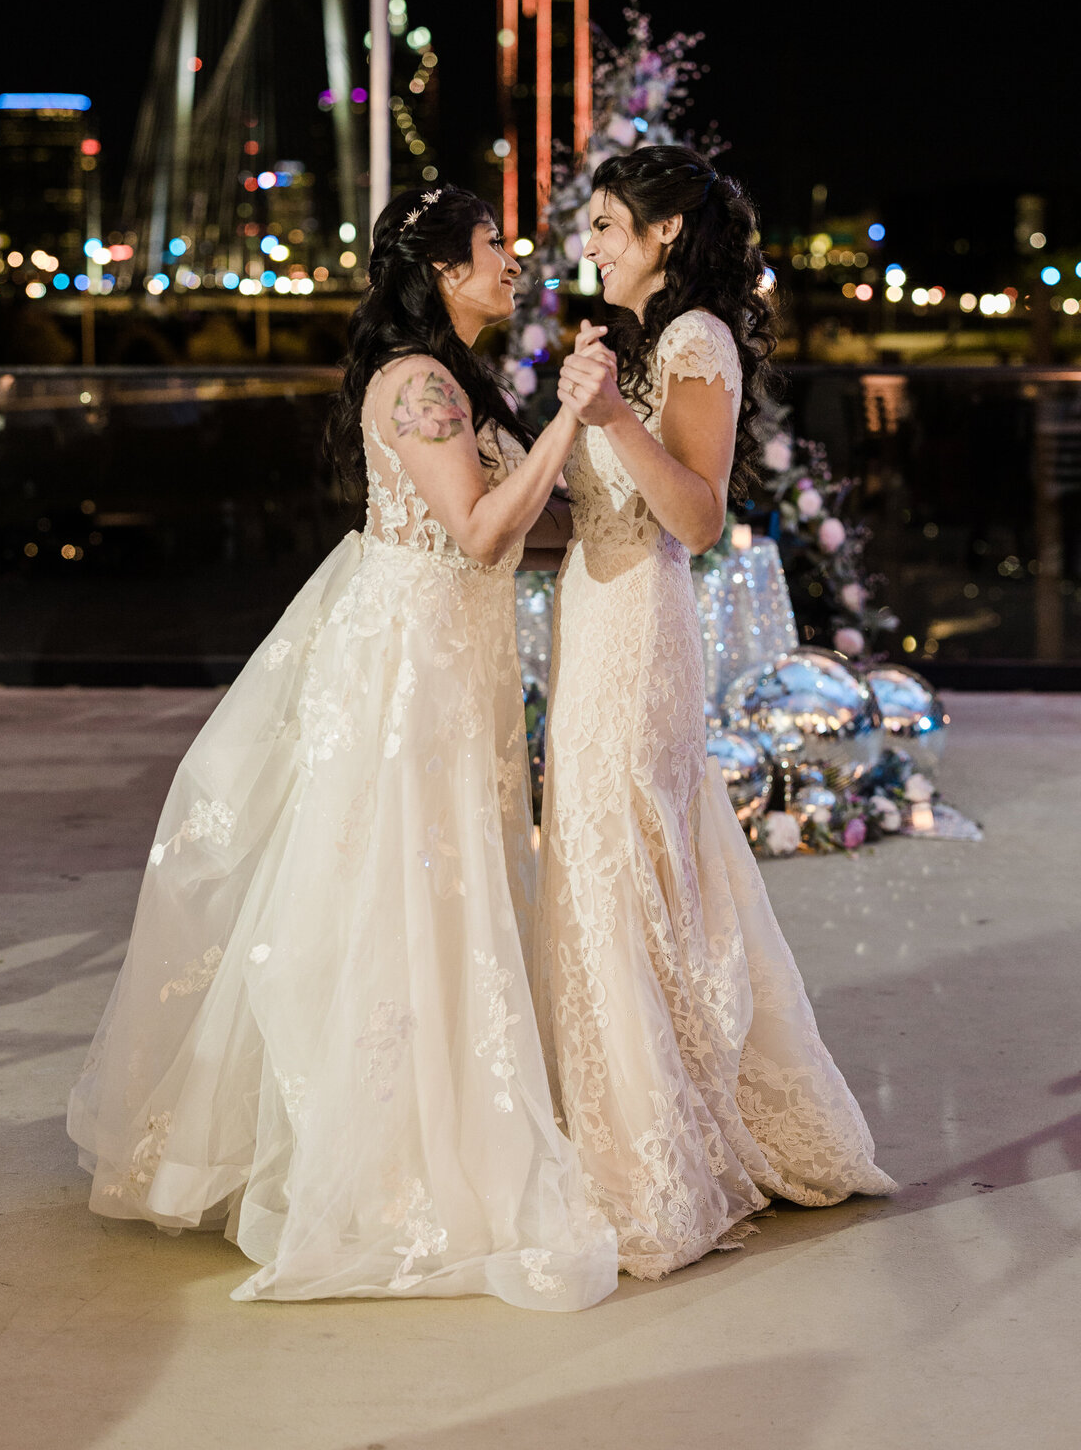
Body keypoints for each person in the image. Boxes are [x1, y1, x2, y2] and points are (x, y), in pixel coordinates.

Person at [68, 186, 619, 1310]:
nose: (512, 264)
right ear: (441, 271)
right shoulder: (418, 382)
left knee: (436, 883)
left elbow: (516, 518)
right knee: (398, 888)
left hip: (449, 658)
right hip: (411, 670)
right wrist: (574, 418)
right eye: (490, 250)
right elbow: (476, 530)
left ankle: (433, 1111)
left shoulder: (453, 380)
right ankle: (382, 1161)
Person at [538, 144, 896, 1279]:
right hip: (590, 618)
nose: (588, 245)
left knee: (622, 855)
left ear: (666, 237)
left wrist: (611, 415)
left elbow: (695, 516)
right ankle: (632, 1119)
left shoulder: (697, 342)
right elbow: (591, 493)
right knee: (599, 860)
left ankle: (655, 1154)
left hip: (644, 622)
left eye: (605, 226)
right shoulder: (628, 343)